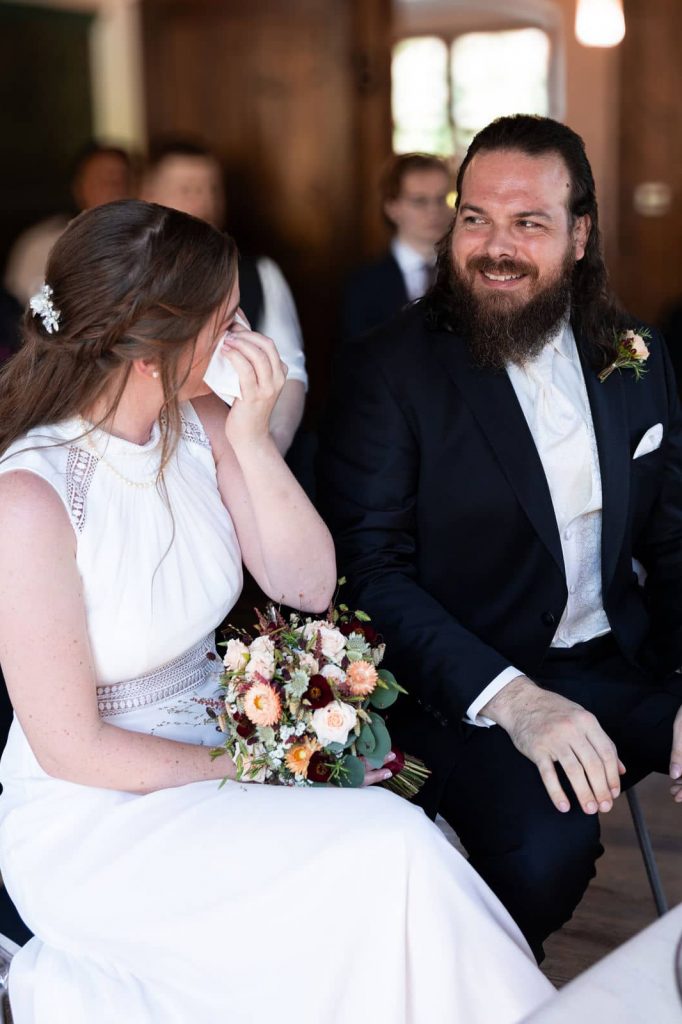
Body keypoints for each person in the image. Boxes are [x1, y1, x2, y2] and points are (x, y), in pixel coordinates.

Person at [0, 199, 553, 1022]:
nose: (245, 336)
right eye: (226, 321)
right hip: (100, 821)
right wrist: (272, 766)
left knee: (407, 843)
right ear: (154, 348)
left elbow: (306, 584)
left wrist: (256, 440)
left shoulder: (205, 423)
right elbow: (73, 750)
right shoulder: (30, 497)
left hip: (219, 748)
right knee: (387, 847)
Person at [319, 114, 682, 962]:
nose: (495, 247)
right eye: (475, 217)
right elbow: (367, 571)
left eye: (529, 223)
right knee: (544, 853)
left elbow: (673, 539)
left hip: (617, 663)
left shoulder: (636, 354)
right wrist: (515, 700)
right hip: (469, 683)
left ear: (580, 235)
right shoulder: (390, 367)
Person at [140, 139, 306, 456]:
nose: (204, 200)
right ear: (148, 195)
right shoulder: (124, 276)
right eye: (188, 189)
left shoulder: (259, 273)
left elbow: (290, 371)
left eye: (212, 189)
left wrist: (268, 448)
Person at [4, 142, 134, 308]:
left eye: (122, 179)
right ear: (79, 188)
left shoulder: (150, 242)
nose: (114, 188)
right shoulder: (43, 246)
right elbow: (24, 314)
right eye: (103, 179)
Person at [341, 153, 452, 340]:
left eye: (441, 199)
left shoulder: (468, 274)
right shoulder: (363, 285)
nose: (434, 211)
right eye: (419, 201)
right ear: (392, 208)